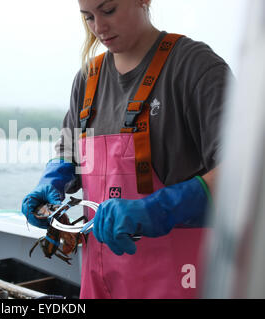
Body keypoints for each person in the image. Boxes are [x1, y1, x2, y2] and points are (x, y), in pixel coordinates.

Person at [22, 0, 233, 299]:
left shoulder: (195, 67)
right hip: (98, 280)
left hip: (180, 281)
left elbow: (244, 172)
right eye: (88, 17)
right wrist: (52, 179)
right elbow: (68, 149)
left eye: (108, 10)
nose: (99, 28)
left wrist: (161, 208)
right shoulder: (87, 79)